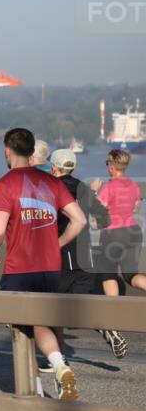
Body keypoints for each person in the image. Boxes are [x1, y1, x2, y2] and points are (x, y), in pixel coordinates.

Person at [0, 128, 86, 400]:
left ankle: (38, 393)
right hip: (50, 267)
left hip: (20, 267)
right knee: (41, 323)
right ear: (33, 152)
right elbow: (79, 220)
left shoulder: (4, 184)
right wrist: (58, 243)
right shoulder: (53, 184)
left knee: (21, 329)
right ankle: (60, 366)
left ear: (7, 151)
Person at [48, 148, 125, 358]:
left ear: (54, 167)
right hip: (87, 255)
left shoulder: (52, 188)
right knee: (79, 303)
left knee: (51, 306)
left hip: (63, 256)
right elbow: (104, 219)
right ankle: (103, 327)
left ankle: (55, 357)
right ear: (74, 167)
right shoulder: (83, 188)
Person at [92, 149, 146, 295]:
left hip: (113, 234)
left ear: (111, 166)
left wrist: (94, 191)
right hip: (133, 232)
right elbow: (135, 209)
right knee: (131, 276)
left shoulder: (109, 187)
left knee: (108, 274)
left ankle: (113, 310)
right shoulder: (134, 185)